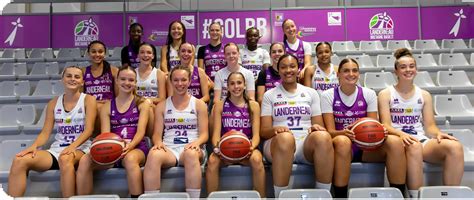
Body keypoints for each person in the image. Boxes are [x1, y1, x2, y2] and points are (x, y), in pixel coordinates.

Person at [378, 48, 464, 198]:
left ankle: (451, 196)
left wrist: (438, 133)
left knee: (455, 147)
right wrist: (402, 134)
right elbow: (385, 125)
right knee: (414, 146)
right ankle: (415, 196)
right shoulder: (386, 94)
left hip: (419, 139)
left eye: (412, 66)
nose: (408, 70)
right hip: (397, 141)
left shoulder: (424, 95)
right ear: (396, 71)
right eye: (403, 67)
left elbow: (429, 126)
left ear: (416, 69)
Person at [321, 58, 406, 198]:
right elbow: (330, 132)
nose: (351, 74)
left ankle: (399, 195)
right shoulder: (328, 95)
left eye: (355, 70)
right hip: (341, 145)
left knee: (395, 142)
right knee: (343, 141)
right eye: (346, 71)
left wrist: (380, 132)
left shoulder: (368, 94)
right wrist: (345, 132)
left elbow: (372, 127)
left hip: (365, 147)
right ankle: (340, 196)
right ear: (338, 74)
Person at [8, 66, 97, 198]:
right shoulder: (53, 103)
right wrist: (34, 146)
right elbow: (45, 133)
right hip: (57, 150)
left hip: (81, 148)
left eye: (77, 77)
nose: (72, 79)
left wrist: (72, 147)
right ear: (62, 79)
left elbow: (89, 130)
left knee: (65, 158)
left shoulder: (89, 100)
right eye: (69, 76)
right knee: (19, 160)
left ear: (82, 82)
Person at [261, 54, 334, 198]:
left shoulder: (311, 93)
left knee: (323, 136)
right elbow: (264, 131)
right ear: (278, 69)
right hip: (278, 144)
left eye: (292, 66)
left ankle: (322, 194)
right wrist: (275, 130)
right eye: (283, 67)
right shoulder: (269, 95)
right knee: (286, 139)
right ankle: (280, 195)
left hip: (303, 145)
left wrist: (316, 128)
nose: (288, 70)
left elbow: (318, 125)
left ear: (298, 68)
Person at [76, 66, 150, 198]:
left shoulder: (142, 103)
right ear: (116, 81)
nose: (127, 83)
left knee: (130, 159)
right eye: (123, 79)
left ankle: (136, 197)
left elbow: (141, 132)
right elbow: (105, 135)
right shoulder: (107, 106)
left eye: (131, 80)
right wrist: (109, 149)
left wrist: (130, 146)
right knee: (85, 160)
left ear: (135, 82)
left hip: (136, 147)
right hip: (113, 148)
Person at [143, 66, 208, 199]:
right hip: (169, 149)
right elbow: (156, 134)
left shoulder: (199, 104)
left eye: (183, 80)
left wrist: (197, 142)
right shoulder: (161, 105)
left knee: (190, 154)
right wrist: (158, 142)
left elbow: (204, 134)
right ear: (171, 82)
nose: (180, 84)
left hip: (191, 147)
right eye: (176, 80)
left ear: (189, 81)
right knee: (153, 155)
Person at [206, 72, 265, 197]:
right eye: (232, 83)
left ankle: (262, 196)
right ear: (227, 86)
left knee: (257, 159)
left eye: (239, 83)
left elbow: (256, 136)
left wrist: (251, 148)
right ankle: (212, 197)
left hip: (246, 148)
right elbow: (216, 134)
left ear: (244, 85)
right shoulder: (220, 105)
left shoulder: (253, 106)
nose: (236, 86)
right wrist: (218, 150)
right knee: (212, 161)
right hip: (225, 149)